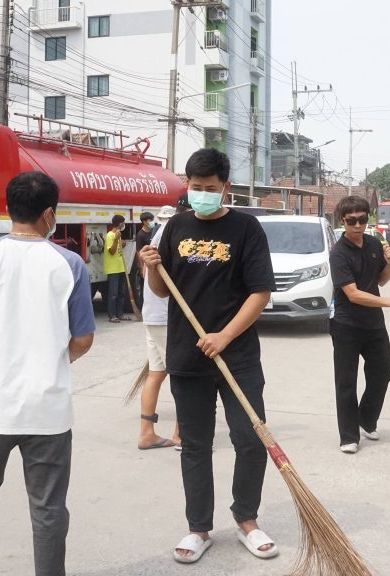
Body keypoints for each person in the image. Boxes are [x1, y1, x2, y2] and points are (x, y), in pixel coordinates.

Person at [0, 172, 96, 576]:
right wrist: (52, 361)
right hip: (48, 411)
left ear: (10, 209)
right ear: (49, 214)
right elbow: (83, 339)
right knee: (48, 507)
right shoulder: (70, 264)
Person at [138, 148, 278, 564]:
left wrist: (225, 336)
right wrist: (151, 267)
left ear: (225, 187)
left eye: (210, 188)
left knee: (250, 439)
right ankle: (198, 527)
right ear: (187, 184)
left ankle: (246, 519)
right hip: (187, 355)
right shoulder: (175, 227)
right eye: (195, 187)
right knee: (195, 445)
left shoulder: (246, 228)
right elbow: (163, 291)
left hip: (238, 356)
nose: (201, 194)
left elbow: (260, 293)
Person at [329, 196, 390, 454]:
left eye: (362, 219)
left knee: (383, 371)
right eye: (351, 221)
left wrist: (389, 262)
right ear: (342, 221)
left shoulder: (374, 243)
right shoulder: (338, 253)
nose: (357, 225)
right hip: (346, 324)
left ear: (368, 218)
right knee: (346, 381)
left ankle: (366, 418)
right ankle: (348, 436)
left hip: (373, 323)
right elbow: (353, 295)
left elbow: (381, 280)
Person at [137, 206, 181, 450]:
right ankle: (181, 435)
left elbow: (146, 273)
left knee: (156, 373)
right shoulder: (174, 234)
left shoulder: (158, 234)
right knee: (182, 376)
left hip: (153, 314)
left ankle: (147, 433)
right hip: (166, 317)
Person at [104, 215, 129, 323]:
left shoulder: (118, 234)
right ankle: (112, 315)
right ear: (119, 223)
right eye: (123, 222)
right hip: (113, 268)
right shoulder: (110, 235)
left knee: (121, 293)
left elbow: (118, 249)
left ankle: (120, 314)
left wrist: (121, 242)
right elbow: (111, 251)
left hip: (120, 267)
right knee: (113, 294)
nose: (124, 224)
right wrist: (116, 239)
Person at [130, 211, 155, 311]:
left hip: (152, 263)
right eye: (150, 220)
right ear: (144, 222)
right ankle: (142, 309)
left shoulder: (153, 231)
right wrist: (141, 268)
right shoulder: (140, 235)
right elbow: (139, 252)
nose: (152, 222)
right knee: (144, 288)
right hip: (145, 265)